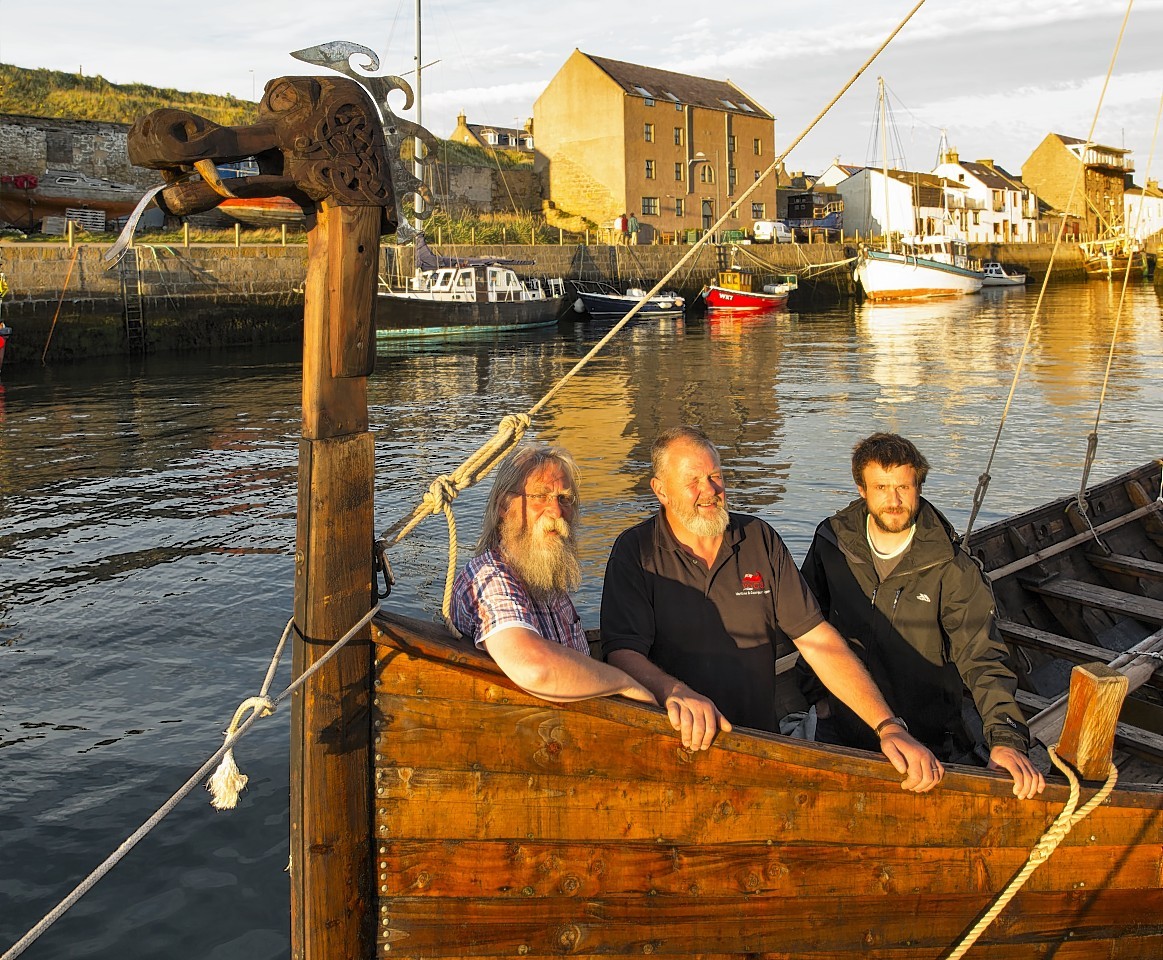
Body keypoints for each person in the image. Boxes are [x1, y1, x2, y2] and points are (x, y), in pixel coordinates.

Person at [600, 425, 944, 793]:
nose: (710, 490)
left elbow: (818, 641)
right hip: (674, 753)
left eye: (716, 476)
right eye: (693, 480)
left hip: (761, 749)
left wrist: (887, 725)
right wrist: (675, 691)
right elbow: (621, 653)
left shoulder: (758, 539)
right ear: (660, 490)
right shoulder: (635, 552)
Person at [797, 432, 1045, 800]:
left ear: (919, 487)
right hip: (843, 721)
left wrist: (1006, 739)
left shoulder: (952, 567)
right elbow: (806, 620)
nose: (893, 501)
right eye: (881, 487)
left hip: (922, 737)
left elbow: (982, 659)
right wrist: (818, 697)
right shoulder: (832, 541)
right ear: (862, 489)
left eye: (904, 487)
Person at [451, 444, 656, 706]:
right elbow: (536, 669)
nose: (557, 511)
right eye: (540, 496)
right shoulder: (487, 578)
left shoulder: (547, 584)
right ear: (504, 506)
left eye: (564, 499)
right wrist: (624, 682)